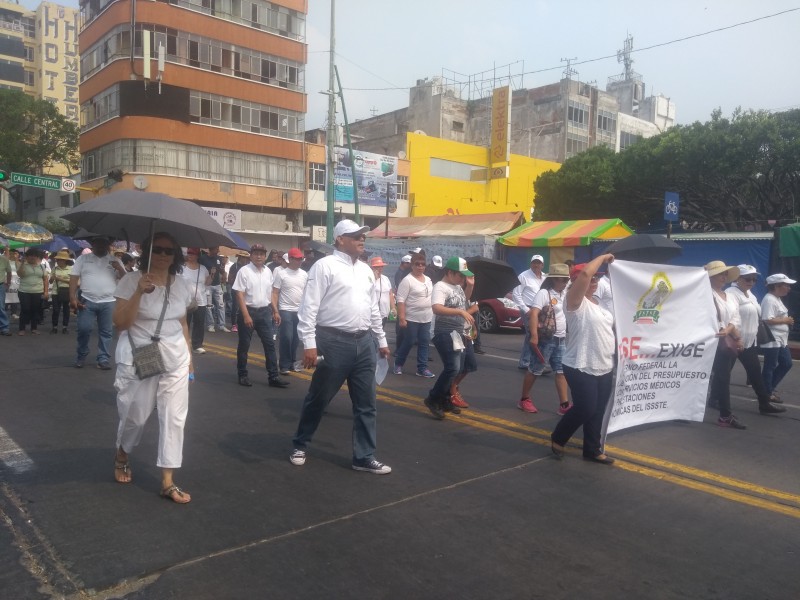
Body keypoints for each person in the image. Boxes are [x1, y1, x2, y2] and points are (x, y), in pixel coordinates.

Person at [290, 219, 392, 474]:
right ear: (339, 240)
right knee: (319, 398)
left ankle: (364, 457)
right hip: (333, 342)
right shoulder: (325, 266)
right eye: (355, 235)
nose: (361, 239)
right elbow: (309, 307)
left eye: (363, 235)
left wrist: (381, 341)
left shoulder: (367, 270)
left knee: (366, 403)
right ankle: (300, 444)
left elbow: (373, 310)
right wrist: (309, 344)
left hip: (364, 342)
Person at [112, 233, 194, 504]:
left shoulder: (181, 285)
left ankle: (168, 481)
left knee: (174, 417)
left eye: (168, 251)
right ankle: (123, 453)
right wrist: (139, 291)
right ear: (147, 252)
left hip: (175, 356)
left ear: (175, 257)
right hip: (141, 352)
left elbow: (182, 323)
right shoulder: (130, 280)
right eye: (156, 249)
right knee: (136, 415)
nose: (162, 255)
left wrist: (190, 357)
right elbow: (121, 323)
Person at [551, 255, 616, 464]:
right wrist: (605, 256)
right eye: (591, 278)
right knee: (586, 407)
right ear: (578, 281)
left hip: (604, 364)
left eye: (598, 279)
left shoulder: (601, 303)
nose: (594, 281)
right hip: (579, 363)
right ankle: (558, 437)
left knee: (597, 411)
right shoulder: (573, 301)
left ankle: (592, 449)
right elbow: (586, 273)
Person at [424, 257, 477, 419]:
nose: (462, 279)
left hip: (459, 332)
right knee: (452, 367)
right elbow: (437, 308)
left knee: (460, 367)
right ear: (449, 272)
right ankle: (433, 398)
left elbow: (465, 302)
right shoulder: (440, 287)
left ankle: (446, 398)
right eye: (460, 275)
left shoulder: (458, 286)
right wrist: (460, 312)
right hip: (444, 332)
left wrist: (470, 286)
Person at [727, 266, 785, 415]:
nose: (751, 282)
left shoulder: (750, 294)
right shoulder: (731, 294)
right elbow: (730, 317)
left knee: (755, 374)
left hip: (749, 342)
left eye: (754, 279)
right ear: (737, 278)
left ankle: (764, 403)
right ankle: (715, 399)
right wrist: (736, 337)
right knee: (723, 373)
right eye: (748, 279)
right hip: (734, 341)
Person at [232, 243, 289, 389]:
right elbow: (239, 294)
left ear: (265, 256)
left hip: (264, 313)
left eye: (261, 254)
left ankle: (273, 377)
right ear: (251, 255)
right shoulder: (244, 271)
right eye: (256, 253)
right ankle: (243, 374)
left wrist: (275, 311)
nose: (259, 256)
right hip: (249, 311)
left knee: (270, 345)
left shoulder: (268, 272)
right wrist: (245, 315)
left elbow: (270, 294)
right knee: (244, 346)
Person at [518, 263, 571, 415]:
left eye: (566, 279)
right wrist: (534, 336)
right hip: (546, 340)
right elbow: (534, 313)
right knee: (535, 370)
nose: (565, 282)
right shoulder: (544, 293)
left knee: (561, 372)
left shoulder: (564, 292)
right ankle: (524, 399)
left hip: (560, 339)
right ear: (554, 279)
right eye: (563, 280)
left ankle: (564, 404)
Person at [70, 236, 126, 369]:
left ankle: (103, 358)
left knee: (106, 332)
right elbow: (74, 277)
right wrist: (72, 297)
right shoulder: (83, 259)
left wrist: (120, 268)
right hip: (87, 300)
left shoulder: (115, 260)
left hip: (109, 301)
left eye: (104, 243)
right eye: (98, 243)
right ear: (92, 245)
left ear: (108, 245)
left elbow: (126, 279)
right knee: (84, 329)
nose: (101, 246)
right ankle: (81, 355)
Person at [705, 260, 746, 430]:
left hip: (723, 340)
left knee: (722, 378)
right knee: (718, 378)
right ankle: (725, 415)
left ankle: (724, 414)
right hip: (710, 342)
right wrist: (729, 330)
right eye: (720, 274)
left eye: (725, 274)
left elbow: (735, 318)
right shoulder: (707, 295)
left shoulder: (729, 296)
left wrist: (732, 332)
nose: (724, 276)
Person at [394, 251, 435, 377]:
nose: (420, 267)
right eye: (417, 264)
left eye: (423, 264)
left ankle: (422, 368)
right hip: (411, 318)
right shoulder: (407, 281)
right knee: (409, 342)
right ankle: (398, 364)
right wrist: (402, 318)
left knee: (424, 342)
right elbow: (400, 300)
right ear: (412, 265)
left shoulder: (428, 280)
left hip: (426, 318)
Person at [272, 247, 308, 374]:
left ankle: (292, 362)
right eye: (297, 259)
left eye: (301, 259)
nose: (300, 261)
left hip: (299, 311)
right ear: (290, 259)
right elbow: (275, 293)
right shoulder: (282, 273)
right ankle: (284, 365)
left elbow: (307, 293)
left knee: (296, 339)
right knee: (287, 337)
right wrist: (275, 311)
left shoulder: (304, 274)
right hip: (285, 309)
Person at [760, 273, 796, 402]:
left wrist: (786, 321)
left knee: (786, 363)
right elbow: (766, 319)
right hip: (772, 338)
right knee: (770, 365)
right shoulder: (769, 299)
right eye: (786, 285)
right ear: (776, 286)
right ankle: (766, 391)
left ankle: (767, 386)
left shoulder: (777, 299)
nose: (788, 288)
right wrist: (785, 320)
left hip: (781, 339)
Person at [512, 254, 547, 369]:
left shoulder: (545, 277)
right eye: (534, 262)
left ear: (542, 265)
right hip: (528, 308)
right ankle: (526, 362)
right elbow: (516, 294)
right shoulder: (523, 276)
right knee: (532, 334)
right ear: (531, 264)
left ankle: (531, 360)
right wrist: (526, 310)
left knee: (538, 335)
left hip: (540, 310)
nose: (536, 265)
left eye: (538, 263)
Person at [179, 248, 212, 354]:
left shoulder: (203, 269)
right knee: (185, 323)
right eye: (189, 253)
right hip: (185, 300)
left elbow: (207, 283)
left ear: (197, 256)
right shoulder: (181, 267)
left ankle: (197, 345)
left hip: (200, 300)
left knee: (199, 323)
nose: (190, 255)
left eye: (192, 254)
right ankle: (183, 343)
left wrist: (212, 275)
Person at [17, 249, 49, 335]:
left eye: (35, 255)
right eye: (30, 255)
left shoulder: (41, 266)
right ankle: (22, 328)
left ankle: (34, 328)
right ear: (26, 257)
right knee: (25, 309)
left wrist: (46, 291)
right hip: (24, 291)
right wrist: (22, 264)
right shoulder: (22, 265)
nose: (32, 257)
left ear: (38, 257)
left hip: (38, 291)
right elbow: (19, 274)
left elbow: (45, 279)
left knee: (35, 309)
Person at [200, 246, 229, 332]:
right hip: (207, 285)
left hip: (217, 284)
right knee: (209, 306)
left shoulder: (219, 258)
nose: (218, 251)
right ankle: (210, 325)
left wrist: (223, 268)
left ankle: (222, 325)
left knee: (221, 305)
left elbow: (221, 271)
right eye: (216, 249)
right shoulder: (203, 258)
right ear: (211, 249)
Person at [49, 250, 73, 334]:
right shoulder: (54, 268)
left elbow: (73, 282)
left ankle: (65, 327)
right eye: (58, 260)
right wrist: (52, 278)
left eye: (61, 260)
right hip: (56, 291)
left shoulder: (71, 269)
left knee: (66, 310)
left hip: (67, 291)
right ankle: (54, 327)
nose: (59, 261)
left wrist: (61, 279)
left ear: (65, 260)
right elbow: (50, 282)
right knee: (56, 310)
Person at [228, 251, 250, 333]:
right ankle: (234, 324)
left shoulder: (247, 267)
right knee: (235, 306)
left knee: (244, 306)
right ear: (240, 257)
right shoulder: (235, 266)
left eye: (246, 258)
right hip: (236, 290)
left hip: (246, 290)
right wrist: (235, 286)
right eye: (244, 257)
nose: (246, 259)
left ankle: (242, 322)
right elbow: (230, 278)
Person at [370, 256, 396, 323]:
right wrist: (374, 279)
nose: (380, 268)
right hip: (373, 313)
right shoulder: (369, 279)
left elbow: (390, 294)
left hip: (384, 312)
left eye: (381, 266)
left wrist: (393, 308)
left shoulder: (385, 278)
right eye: (378, 267)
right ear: (372, 268)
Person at [0, 245, 12, 336]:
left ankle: (4, 327)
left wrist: (8, 283)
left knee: (1, 306)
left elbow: (9, 272)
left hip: (0, 286)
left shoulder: (4, 259)